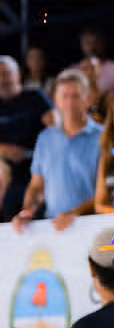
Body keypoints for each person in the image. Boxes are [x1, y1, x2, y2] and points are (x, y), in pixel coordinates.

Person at [14, 70, 102, 230]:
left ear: (87, 99)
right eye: (64, 96)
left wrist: (74, 213)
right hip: (53, 227)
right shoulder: (45, 138)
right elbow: (36, 186)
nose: (70, 102)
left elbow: (108, 191)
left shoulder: (102, 137)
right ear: (56, 100)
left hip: (94, 224)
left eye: (76, 96)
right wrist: (26, 211)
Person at [0, 53, 51, 222]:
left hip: (41, 172)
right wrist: (5, 149)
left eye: (6, 73)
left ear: (18, 75)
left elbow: (56, 127)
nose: (3, 79)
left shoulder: (34, 97)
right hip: (11, 177)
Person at [78, 27, 114, 103]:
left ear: (103, 43)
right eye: (88, 43)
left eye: (96, 42)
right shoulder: (74, 70)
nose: (92, 47)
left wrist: (104, 98)